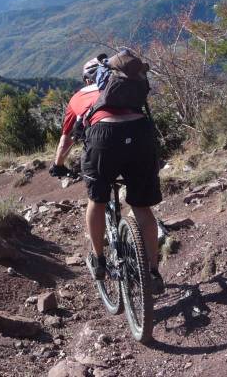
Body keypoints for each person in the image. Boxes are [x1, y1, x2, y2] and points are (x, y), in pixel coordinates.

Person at [49, 55, 165, 294]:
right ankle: (153, 272)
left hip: (104, 136)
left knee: (97, 201)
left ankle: (99, 260)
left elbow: (66, 140)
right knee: (142, 208)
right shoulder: (126, 89)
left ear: (85, 79)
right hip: (141, 133)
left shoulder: (78, 97)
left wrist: (58, 165)